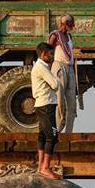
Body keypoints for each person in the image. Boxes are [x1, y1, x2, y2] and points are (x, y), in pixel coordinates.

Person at [32, 42, 61, 180]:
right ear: (44, 54)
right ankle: (45, 167)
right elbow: (55, 85)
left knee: (42, 135)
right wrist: (57, 80)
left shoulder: (39, 66)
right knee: (53, 136)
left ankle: (40, 166)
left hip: (41, 104)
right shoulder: (42, 68)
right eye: (50, 54)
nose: (52, 57)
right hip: (46, 105)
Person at [48, 14, 78, 133]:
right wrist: (48, 71)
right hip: (59, 66)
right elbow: (48, 53)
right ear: (63, 24)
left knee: (72, 103)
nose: (67, 28)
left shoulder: (69, 36)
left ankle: (68, 132)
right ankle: (57, 130)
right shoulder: (55, 35)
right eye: (66, 25)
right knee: (59, 101)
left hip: (70, 67)